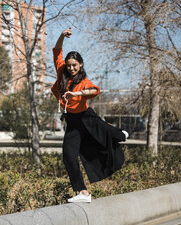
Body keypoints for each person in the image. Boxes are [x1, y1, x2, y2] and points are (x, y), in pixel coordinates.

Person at [51, 27, 128, 203]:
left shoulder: (84, 81)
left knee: (105, 131)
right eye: (69, 65)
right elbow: (57, 51)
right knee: (68, 156)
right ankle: (83, 192)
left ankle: (120, 134)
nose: (71, 68)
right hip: (73, 122)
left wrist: (76, 95)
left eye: (75, 66)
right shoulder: (61, 70)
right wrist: (62, 36)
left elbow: (95, 91)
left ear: (80, 65)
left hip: (87, 116)